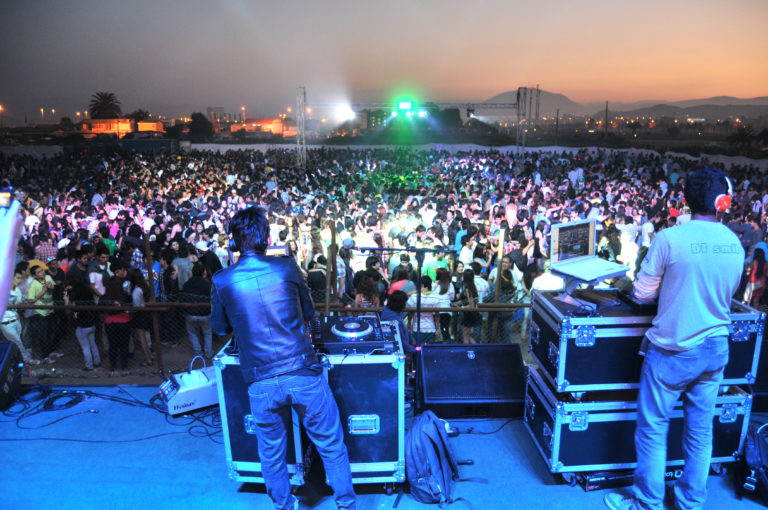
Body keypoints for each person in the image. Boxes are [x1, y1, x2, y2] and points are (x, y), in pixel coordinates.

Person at [604, 167, 744, 510]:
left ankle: (649, 502)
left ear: (686, 200)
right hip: (715, 349)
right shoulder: (735, 242)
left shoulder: (670, 239)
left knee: (653, 428)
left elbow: (641, 293)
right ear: (723, 202)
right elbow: (728, 293)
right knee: (700, 433)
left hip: (673, 350)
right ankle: (690, 501)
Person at [211, 207, 355, 510]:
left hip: (260, 381)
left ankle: (284, 507)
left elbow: (220, 328)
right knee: (331, 445)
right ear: (266, 238)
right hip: (302, 370)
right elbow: (309, 312)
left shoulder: (222, 280)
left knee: (272, 454)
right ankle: (346, 505)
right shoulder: (287, 267)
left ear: (234, 242)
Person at [181, 262, 213, 360]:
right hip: (204, 314)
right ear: (203, 273)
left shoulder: (187, 284)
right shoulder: (207, 285)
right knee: (207, 333)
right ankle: (208, 353)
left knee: (192, 333)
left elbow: (183, 297)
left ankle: (198, 352)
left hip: (190, 314)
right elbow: (212, 297)